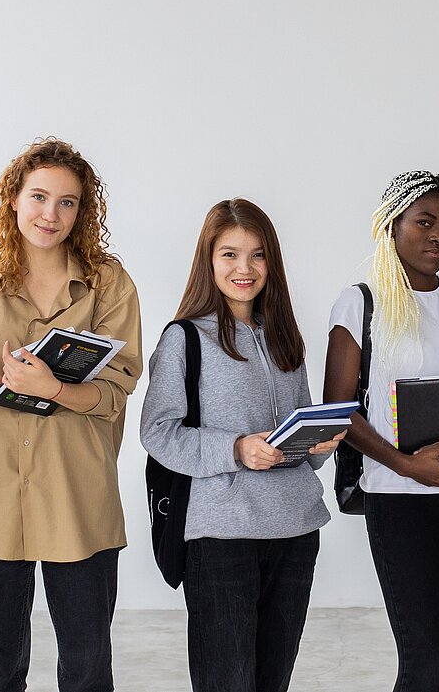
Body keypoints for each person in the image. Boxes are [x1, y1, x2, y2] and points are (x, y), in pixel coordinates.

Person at [0, 138, 142, 692]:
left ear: (82, 211)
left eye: (67, 202)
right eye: (39, 196)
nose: (51, 214)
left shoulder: (108, 284)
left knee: (88, 673)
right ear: (13, 200)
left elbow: (117, 392)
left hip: (77, 493)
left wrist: (54, 389)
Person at [140, 198, 345, 692]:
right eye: (229, 254)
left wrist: (317, 446)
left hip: (296, 530)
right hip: (221, 537)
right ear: (208, 261)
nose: (244, 269)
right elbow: (157, 432)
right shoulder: (184, 338)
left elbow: (295, 432)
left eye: (257, 255)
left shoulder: (284, 338)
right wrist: (235, 448)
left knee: (273, 681)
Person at [322, 171, 439, 692]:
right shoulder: (361, 303)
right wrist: (406, 465)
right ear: (391, 225)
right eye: (424, 222)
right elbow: (337, 409)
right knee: (423, 664)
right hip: (398, 499)